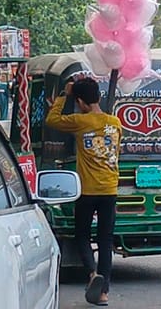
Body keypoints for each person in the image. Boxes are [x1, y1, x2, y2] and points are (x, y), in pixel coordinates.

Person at [46, 77, 122, 307]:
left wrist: (63, 95)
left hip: (87, 191)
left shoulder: (79, 121)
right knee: (106, 239)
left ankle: (91, 273)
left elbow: (52, 120)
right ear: (98, 97)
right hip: (110, 189)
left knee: (82, 235)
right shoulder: (115, 122)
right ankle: (104, 292)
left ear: (80, 102)